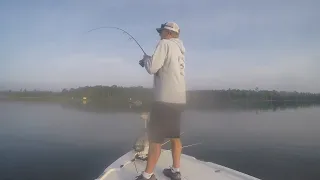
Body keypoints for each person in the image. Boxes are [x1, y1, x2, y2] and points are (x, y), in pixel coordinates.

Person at [135, 22, 186, 180]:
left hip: (164, 100)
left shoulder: (164, 44)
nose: (159, 34)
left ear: (169, 33)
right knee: (175, 137)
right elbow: (164, 66)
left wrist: (145, 60)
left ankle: (148, 175)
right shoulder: (179, 49)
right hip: (178, 100)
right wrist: (150, 60)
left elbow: (152, 68)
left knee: (155, 139)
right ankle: (175, 171)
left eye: (161, 31)